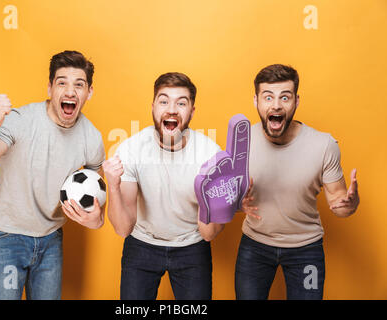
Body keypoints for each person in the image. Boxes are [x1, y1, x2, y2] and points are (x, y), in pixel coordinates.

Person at [0, 50, 106, 300]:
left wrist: (96, 219)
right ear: (50, 88)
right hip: (6, 237)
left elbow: (98, 198)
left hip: (50, 239)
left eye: (78, 85)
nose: (70, 92)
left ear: (89, 92)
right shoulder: (20, 121)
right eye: (62, 83)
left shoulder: (91, 137)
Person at [236, 64, 360, 300]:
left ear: (296, 101)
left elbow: (340, 204)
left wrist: (350, 204)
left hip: (306, 250)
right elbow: (228, 197)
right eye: (268, 97)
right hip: (254, 246)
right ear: (256, 101)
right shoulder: (242, 140)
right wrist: (234, 201)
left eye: (285, 97)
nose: (276, 105)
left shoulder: (324, 145)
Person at [103, 72, 224, 300]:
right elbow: (122, 229)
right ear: (153, 107)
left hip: (192, 247)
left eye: (181, 103)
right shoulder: (131, 149)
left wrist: (212, 196)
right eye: (164, 101)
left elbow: (208, 234)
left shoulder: (210, 155)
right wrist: (114, 186)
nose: (171, 109)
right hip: (141, 245)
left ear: (192, 111)